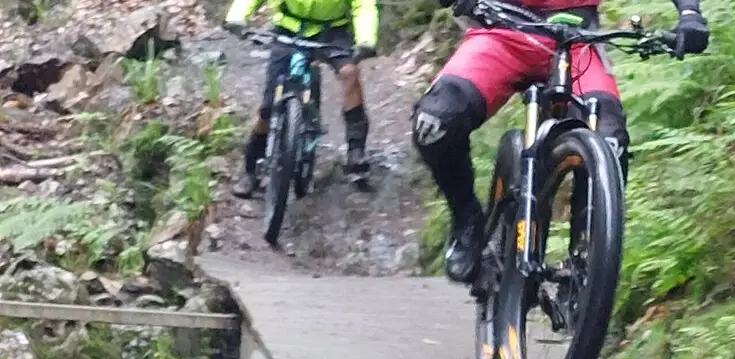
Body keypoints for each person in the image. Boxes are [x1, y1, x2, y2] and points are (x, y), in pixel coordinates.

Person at [411, 0, 710, 284]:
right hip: (499, 32)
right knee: (434, 123)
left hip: (579, 41)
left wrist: (689, 14)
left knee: (610, 140)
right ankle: (467, 219)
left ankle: (587, 259)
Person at [222, 0, 379, 198]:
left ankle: (356, 151)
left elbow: (363, 5)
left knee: (349, 73)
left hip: (332, 32)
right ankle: (251, 170)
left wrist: (366, 40)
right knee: (268, 108)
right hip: (288, 29)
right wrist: (237, 17)